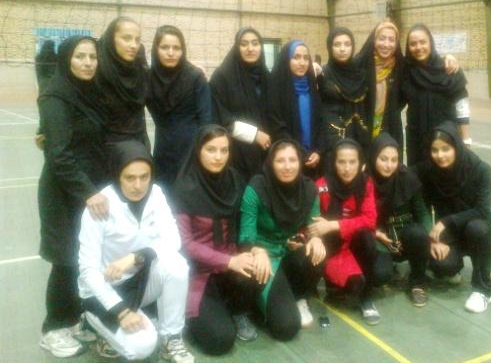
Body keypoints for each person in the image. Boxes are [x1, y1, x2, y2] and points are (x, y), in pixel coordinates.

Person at [78, 141, 194, 362]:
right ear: (117, 175)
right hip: (102, 293)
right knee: (142, 347)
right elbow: (88, 271)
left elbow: (174, 240)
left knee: (177, 264)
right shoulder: (99, 207)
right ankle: (91, 322)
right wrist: (121, 311)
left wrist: (135, 257)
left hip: (138, 283)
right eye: (130, 178)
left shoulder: (156, 194)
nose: (138, 185)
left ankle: (171, 338)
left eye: (144, 177)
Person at [37, 36, 109, 358]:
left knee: (85, 257)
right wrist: (89, 192)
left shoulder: (90, 92)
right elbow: (60, 155)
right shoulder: (55, 95)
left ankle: (74, 319)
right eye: (80, 56)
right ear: (67, 59)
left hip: (88, 188)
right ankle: (53, 328)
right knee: (65, 259)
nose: (88, 63)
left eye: (92, 56)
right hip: (63, 192)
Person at [174, 125, 259, 355]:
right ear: (198, 150)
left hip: (229, 264)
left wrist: (253, 250)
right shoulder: (185, 188)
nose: (218, 156)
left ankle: (236, 310)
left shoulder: (234, 179)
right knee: (220, 340)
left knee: (258, 269)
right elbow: (185, 244)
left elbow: (246, 221)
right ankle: (195, 313)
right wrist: (229, 261)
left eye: (224, 150)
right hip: (198, 271)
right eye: (211, 149)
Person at [239, 140, 326, 339]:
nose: (287, 166)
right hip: (264, 257)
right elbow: (245, 235)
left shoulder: (309, 189)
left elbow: (313, 225)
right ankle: (258, 301)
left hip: (289, 250)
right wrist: (257, 251)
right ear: (271, 162)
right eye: (280, 161)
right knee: (286, 328)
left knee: (318, 253)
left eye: (292, 160)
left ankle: (299, 295)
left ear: (300, 162)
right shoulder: (256, 188)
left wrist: (315, 239)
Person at [415, 121, 491, 313]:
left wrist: (445, 221)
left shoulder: (481, 170)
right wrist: (432, 239)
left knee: (477, 228)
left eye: (446, 149)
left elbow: (483, 210)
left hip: (478, 229)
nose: (440, 155)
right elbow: (407, 175)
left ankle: (483, 289)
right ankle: (454, 267)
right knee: (441, 265)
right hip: (450, 233)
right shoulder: (430, 171)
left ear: (457, 147)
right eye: (435, 150)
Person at [310, 139, 392, 325]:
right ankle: (334, 284)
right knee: (353, 286)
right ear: (333, 162)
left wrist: (334, 225)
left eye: (352, 162)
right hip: (333, 249)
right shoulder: (321, 186)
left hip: (354, 244)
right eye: (341, 162)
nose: (347, 168)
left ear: (360, 163)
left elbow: (369, 220)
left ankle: (366, 299)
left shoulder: (366, 183)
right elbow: (314, 225)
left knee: (378, 265)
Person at [356, 20, 460, 153]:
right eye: (382, 38)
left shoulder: (401, 67)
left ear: (396, 44)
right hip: (361, 131)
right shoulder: (359, 66)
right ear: (373, 40)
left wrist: (447, 58)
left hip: (390, 132)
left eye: (391, 40)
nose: (386, 44)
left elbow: (425, 67)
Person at [369, 132, 432, 307]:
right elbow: (358, 219)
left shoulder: (407, 177)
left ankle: (418, 283)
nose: (389, 165)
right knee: (380, 275)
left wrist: (432, 239)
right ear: (373, 157)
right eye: (383, 159)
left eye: (394, 160)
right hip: (379, 239)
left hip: (405, 237)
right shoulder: (364, 181)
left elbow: (422, 213)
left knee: (418, 234)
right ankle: (389, 266)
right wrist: (376, 235)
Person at [147, 25, 212, 192]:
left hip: (191, 149)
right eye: (165, 47)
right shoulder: (148, 78)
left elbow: (206, 119)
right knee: (164, 194)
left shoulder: (195, 77)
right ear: (156, 49)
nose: (171, 53)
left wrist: (203, 151)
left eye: (176, 48)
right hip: (163, 149)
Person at [401, 23, 470, 165]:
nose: (418, 47)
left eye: (423, 42)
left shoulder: (449, 69)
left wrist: (466, 139)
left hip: (445, 140)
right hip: (417, 142)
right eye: (413, 44)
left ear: (431, 43)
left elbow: (462, 106)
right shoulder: (405, 71)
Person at [210, 27, 271, 182]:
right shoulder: (222, 77)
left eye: (255, 43)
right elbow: (221, 118)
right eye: (244, 44)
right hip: (235, 155)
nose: (250, 48)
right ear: (236, 47)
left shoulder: (266, 76)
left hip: (265, 152)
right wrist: (255, 134)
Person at [267, 40, 322, 177]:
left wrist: (318, 151)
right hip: (287, 160)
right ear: (287, 60)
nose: (302, 63)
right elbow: (277, 127)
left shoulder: (312, 88)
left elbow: (320, 123)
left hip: (314, 160)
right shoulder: (275, 90)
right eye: (296, 57)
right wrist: (300, 153)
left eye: (306, 58)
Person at [318, 27, 370, 161]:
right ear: (329, 47)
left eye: (347, 44)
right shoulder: (323, 73)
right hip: (332, 137)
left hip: (360, 135)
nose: (342, 49)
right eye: (337, 44)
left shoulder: (361, 73)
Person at [97, 16, 149, 145]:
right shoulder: (97, 71)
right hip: (105, 144)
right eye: (126, 38)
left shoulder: (139, 70)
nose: (134, 45)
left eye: (137, 40)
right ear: (111, 39)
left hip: (137, 141)